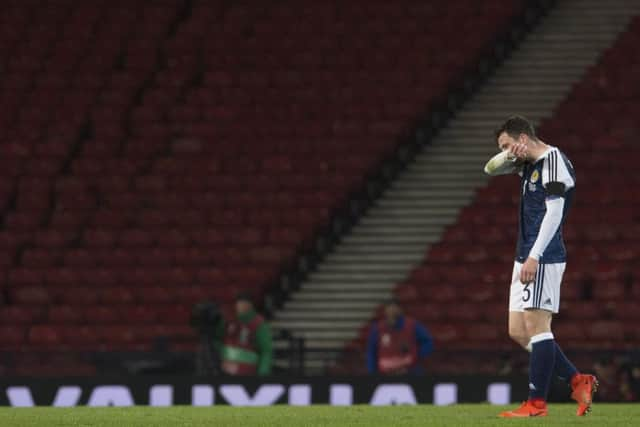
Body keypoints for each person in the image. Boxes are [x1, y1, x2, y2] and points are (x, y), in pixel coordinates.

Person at [485, 116, 597, 417]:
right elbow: (489, 169)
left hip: (543, 255)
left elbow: (554, 213)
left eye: (508, 144)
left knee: (537, 327)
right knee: (518, 331)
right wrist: (510, 154)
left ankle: (536, 404)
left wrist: (535, 256)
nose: (507, 152)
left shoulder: (554, 161)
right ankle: (577, 379)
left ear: (523, 137)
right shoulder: (525, 163)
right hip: (524, 255)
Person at [366, 299, 434, 375]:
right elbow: (371, 352)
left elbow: (428, 342)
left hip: (410, 372)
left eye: (394, 307)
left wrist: (416, 355)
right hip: (385, 374)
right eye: (389, 308)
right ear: (385, 311)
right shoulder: (378, 329)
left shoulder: (412, 325)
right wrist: (372, 373)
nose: (392, 311)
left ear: (400, 310)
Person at [217, 293, 273, 376]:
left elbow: (266, 351)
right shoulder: (230, 320)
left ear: (250, 305)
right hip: (225, 372)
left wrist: (263, 374)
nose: (240, 306)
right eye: (239, 303)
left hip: (247, 373)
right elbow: (218, 339)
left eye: (243, 303)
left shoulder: (258, 323)